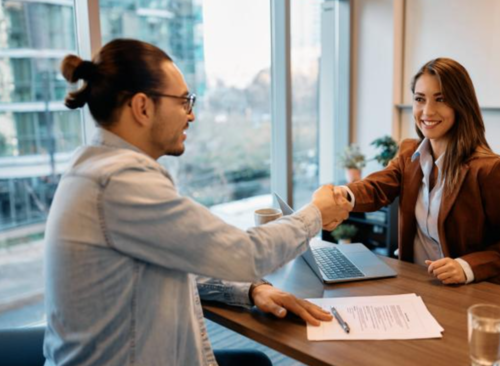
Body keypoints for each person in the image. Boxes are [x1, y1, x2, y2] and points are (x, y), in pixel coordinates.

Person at [43, 38, 351, 366]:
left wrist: (249, 290)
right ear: (142, 107)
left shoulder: (95, 167)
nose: (191, 116)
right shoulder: (120, 181)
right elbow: (247, 253)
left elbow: (179, 256)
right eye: (184, 101)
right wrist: (316, 212)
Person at [335, 58, 500, 285]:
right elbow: (376, 188)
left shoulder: (489, 169)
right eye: (419, 99)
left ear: (461, 104)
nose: (427, 111)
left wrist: (466, 266)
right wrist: (339, 195)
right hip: (415, 284)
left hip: (465, 294)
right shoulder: (409, 153)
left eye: (441, 99)